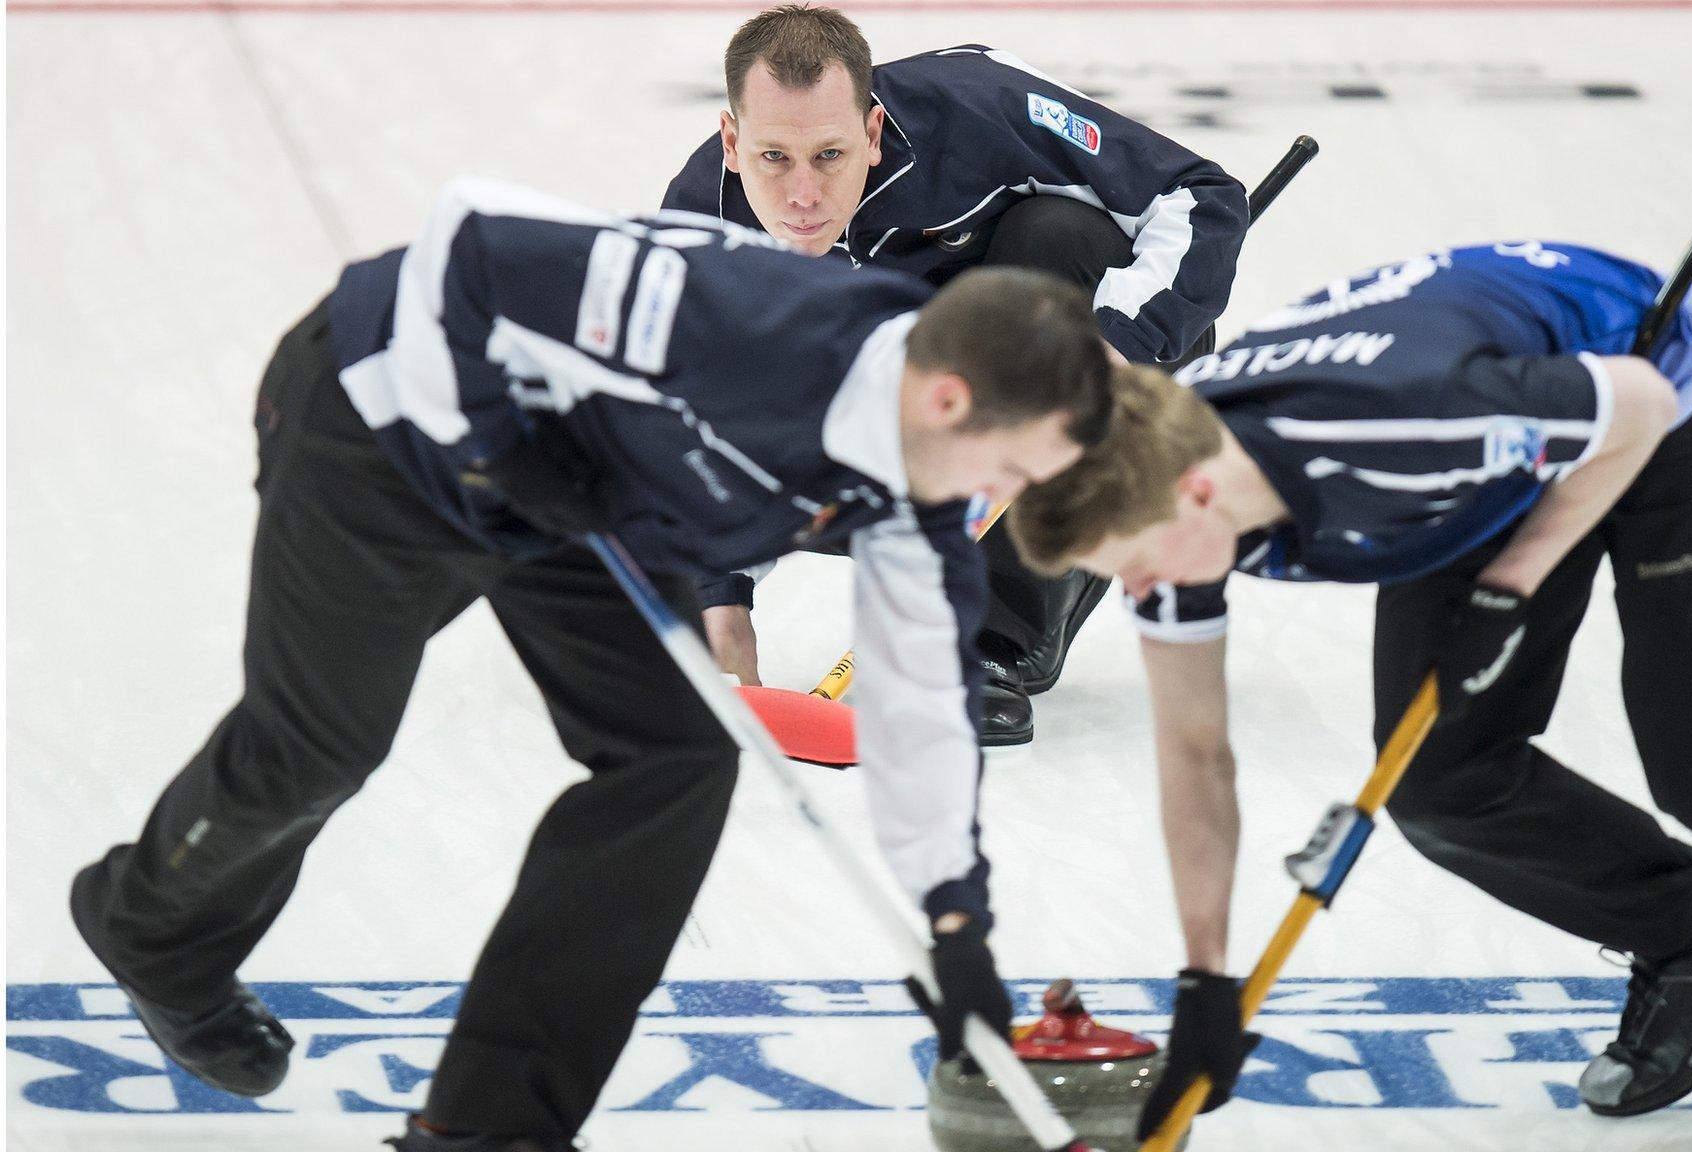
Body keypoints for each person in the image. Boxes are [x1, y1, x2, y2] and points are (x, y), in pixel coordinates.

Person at [69, 176, 1114, 1152]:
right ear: (944, 402)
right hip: (390, 422)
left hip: (582, 488)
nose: (1005, 497)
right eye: (1013, 465)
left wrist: (959, 933)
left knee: (678, 753)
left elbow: (924, 724)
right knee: (320, 747)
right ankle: (152, 927)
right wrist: (495, 449)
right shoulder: (748, 328)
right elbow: (469, 239)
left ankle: (486, 1128)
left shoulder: (922, 498)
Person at [1008, 241, 1692, 1145]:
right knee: (1438, 779)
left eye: (1131, 568)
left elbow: (1636, 404)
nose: (1139, 592)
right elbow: (1194, 753)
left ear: (1188, 494)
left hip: (1650, 392)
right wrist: (1204, 984)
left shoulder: (1398, 431)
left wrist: (1515, 579)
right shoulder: (1169, 512)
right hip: (1475, 463)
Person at [661, 3, 1251, 745]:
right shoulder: (696, 236)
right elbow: (698, 433)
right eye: (774, 157)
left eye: (831, 156)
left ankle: (992, 643)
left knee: (1062, 236)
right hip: (897, 420)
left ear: (873, 132)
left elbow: (1202, 198)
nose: (803, 196)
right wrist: (720, 605)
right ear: (732, 140)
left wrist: (1114, 344)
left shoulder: (982, 106)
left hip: (1065, 387)